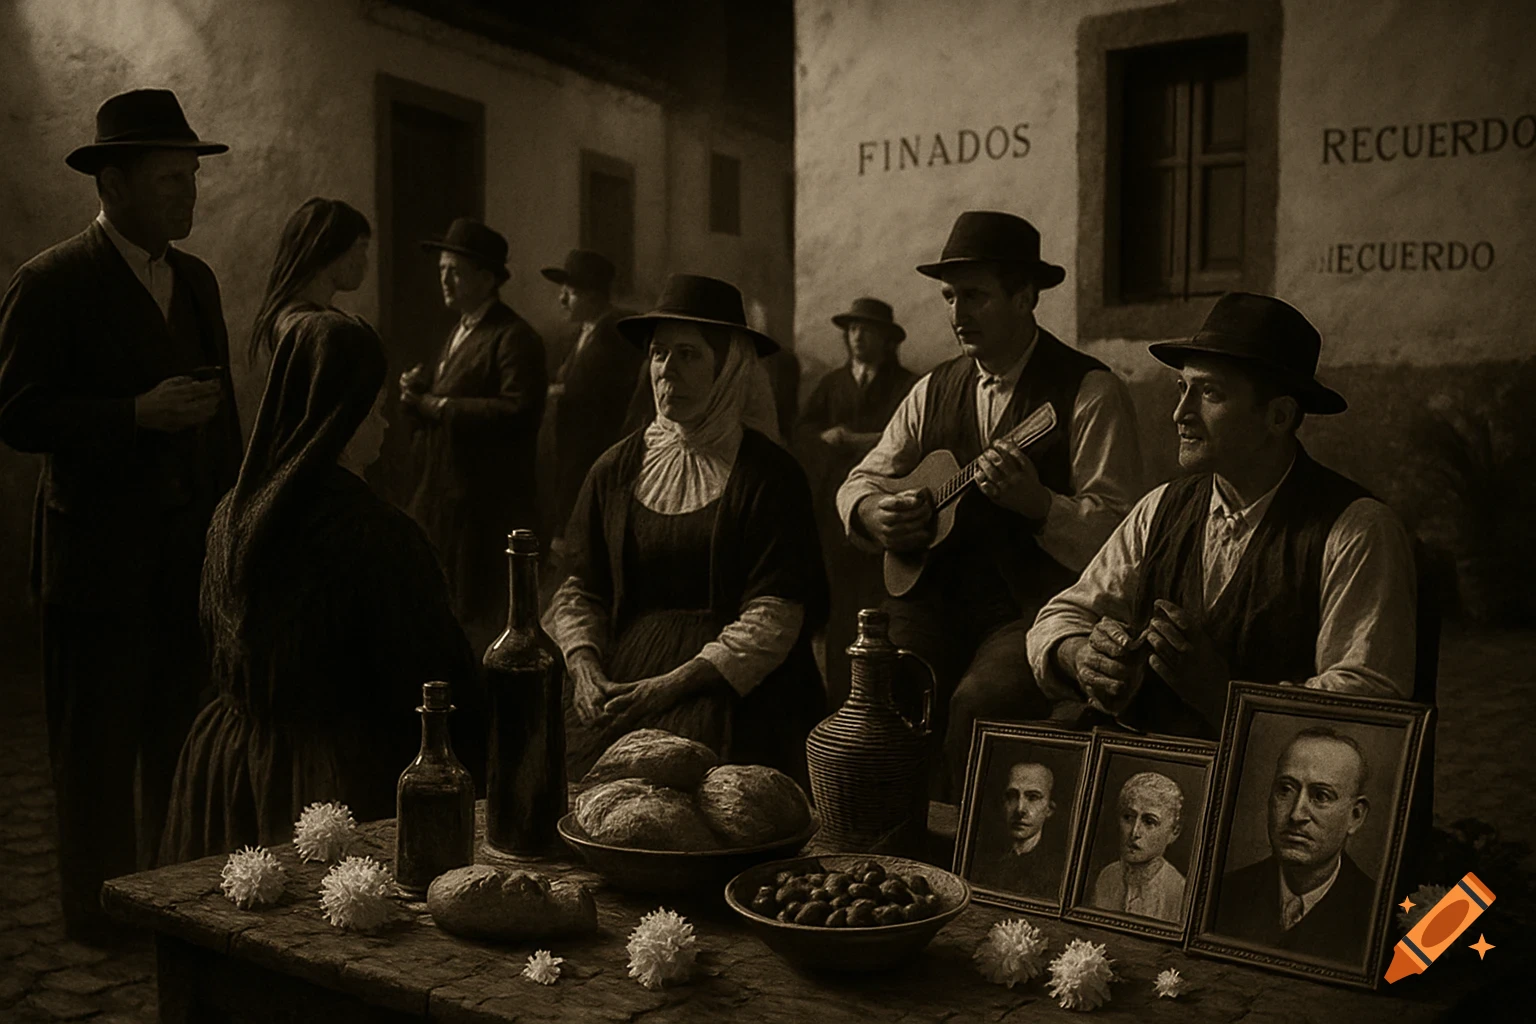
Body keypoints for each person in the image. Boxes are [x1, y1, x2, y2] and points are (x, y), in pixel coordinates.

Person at [0, 89, 242, 943]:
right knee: (95, 755)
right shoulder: (53, 281)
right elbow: (17, 414)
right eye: (171, 179)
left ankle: (171, 898)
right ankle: (98, 918)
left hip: (180, 564)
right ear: (113, 183)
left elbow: (224, 414)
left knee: (177, 742)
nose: (190, 194)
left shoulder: (196, 279)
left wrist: (230, 533)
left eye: (192, 177)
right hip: (95, 565)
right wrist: (131, 414)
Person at [837, 211, 1143, 794]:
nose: (957, 314)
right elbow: (863, 478)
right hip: (932, 600)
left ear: (1026, 296)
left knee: (978, 705)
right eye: (950, 297)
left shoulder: (1090, 391)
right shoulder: (933, 388)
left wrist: (1041, 506)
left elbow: (1117, 539)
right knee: (879, 688)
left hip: (1027, 607)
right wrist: (873, 512)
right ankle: (885, 855)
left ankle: (963, 867)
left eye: (975, 296)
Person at [161, 311, 480, 861]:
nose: (384, 424)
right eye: (374, 409)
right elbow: (429, 683)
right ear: (339, 418)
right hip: (326, 791)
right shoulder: (378, 537)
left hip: (228, 765)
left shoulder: (229, 516)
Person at [1027, 293, 1418, 738]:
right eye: (1182, 389)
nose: (1181, 414)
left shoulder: (1356, 529)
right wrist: (1081, 657)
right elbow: (1061, 616)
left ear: (1278, 415)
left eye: (1210, 392)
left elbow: (1368, 698)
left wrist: (1225, 696)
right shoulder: (1160, 509)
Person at [546, 274, 828, 786]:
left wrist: (668, 687)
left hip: (731, 686)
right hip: (620, 678)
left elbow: (776, 615)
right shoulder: (615, 469)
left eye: (688, 355)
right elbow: (578, 589)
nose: (667, 370)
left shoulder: (770, 477)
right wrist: (585, 669)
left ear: (728, 368)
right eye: (658, 354)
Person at [399, 218, 547, 638]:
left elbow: (517, 410)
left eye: (456, 271)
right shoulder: (461, 328)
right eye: (442, 269)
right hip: (443, 500)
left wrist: (439, 404)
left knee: (476, 620)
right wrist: (420, 390)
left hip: (483, 510)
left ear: (487, 279)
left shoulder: (513, 337)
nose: (444, 279)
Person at [794, 297, 917, 709]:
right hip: (836, 514)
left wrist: (858, 440)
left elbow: (911, 444)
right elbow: (805, 432)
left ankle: (882, 705)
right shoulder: (831, 384)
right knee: (839, 611)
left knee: (885, 610)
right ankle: (838, 705)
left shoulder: (908, 387)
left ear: (887, 340)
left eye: (868, 331)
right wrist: (826, 438)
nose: (858, 338)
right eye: (852, 330)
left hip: (886, 513)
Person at [1214, 727, 1376, 963]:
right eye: (1285, 790)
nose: (1296, 814)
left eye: (1321, 796)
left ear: (1355, 816)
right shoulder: (1224, 894)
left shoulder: (1375, 913)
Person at [541, 248, 641, 538]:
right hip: (572, 452)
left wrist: (561, 393)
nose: (561, 299)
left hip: (598, 451)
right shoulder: (581, 335)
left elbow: (603, 395)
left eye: (569, 292)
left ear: (594, 296)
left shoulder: (614, 338)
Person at [246, 197, 371, 368]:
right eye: (361, 247)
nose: (365, 262)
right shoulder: (317, 329)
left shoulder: (290, 318)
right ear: (333, 248)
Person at [1090, 771, 1186, 922]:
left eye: (1149, 822)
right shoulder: (1107, 877)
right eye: (1128, 817)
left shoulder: (1179, 892)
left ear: (1174, 832)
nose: (1134, 832)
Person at [973, 761, 1064, 899]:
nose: (1020, 809)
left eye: (1033, 797)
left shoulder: (1058, 871)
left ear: (1049, 809)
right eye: (1012, 796)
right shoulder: (979, 860)